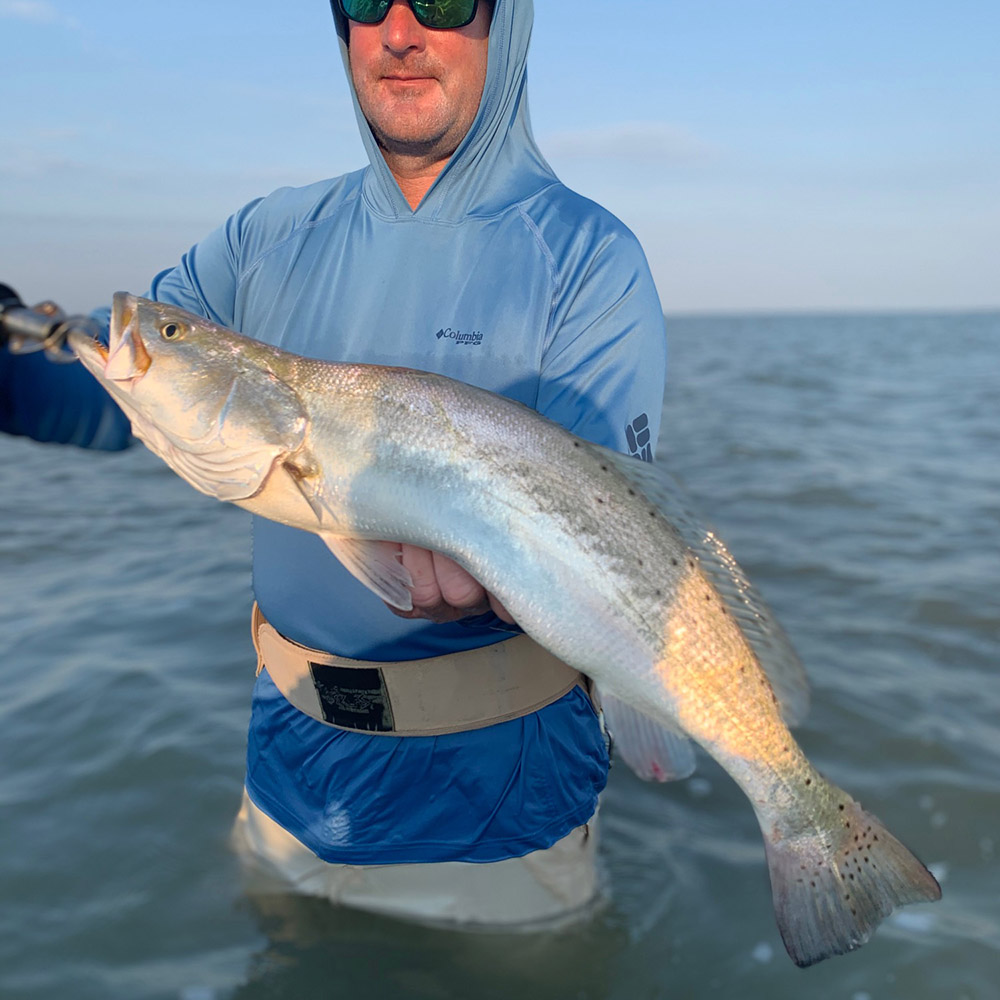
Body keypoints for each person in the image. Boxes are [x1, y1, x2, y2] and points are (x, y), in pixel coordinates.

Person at [1, 0, 667, 926]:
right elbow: (118, 397)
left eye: (438, 0)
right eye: (364, 2)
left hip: (500, 819)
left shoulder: (590, 261)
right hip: (286, 784)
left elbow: (613, 539)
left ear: (503, 21)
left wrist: (500, 572)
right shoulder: (261, 237)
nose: (399, 32)